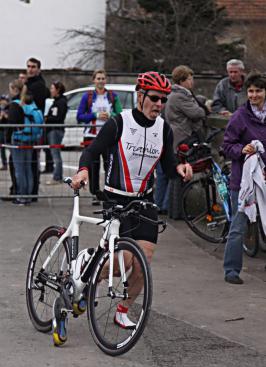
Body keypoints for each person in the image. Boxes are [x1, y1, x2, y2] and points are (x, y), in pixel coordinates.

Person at [54, 71, 193, 345]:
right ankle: (84, 266)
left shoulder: (163, 128)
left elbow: (167, 164)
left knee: (143, 263)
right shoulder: (120, 123)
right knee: (122, 264)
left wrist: (180, 168)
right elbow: (92, 151)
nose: (159, 104)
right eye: (154, 98)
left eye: (163, 99)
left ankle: (122, 310)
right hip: (116, 199)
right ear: (140, 96)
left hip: (144, 201)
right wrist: (83, 172)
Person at [223, 71, 266, 284]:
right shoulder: (240, 115)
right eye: (250, 91)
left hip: (264, 179)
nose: (254, 95)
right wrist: (243, 150)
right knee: (238, 226)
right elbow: (227, 145)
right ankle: (231, 270)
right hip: (243, 181)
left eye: (258, 90)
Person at [163, 65, 209, 219]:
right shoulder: (181, 96)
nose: (192, 82)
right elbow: (196, 112)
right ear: (182, 80)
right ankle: (178, 212)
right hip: (183, 138)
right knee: (181, 177)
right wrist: (204, 108)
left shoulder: (173, 94)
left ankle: (172, 211)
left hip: (175, 137)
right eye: (190, 79)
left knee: (176, 176)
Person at [76, 68, 122, 204]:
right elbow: (80, 116)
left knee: (109, 165)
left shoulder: (113, 96)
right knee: (93, 166)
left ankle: (109, 191)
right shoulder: (87, 96)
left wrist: (110, 116)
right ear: (94, 80)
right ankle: (95, 193)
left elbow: (119, 114)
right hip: (91, 135)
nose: (101, 81)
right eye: (98, 78)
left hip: (109, 136)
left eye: (103, 78)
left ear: (106, 80)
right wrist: (95, 115)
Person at [8, 80, 43, 205]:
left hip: (18, 140)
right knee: (28, 168)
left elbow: (11, 124)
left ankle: (21, 197)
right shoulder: (31, 104)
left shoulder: (15, 104)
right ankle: (28, 196)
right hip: (31, 140)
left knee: (19, 170)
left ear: (15, 90)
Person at [25, 57, 51, 201]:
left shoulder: (38, 85)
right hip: (30, 126)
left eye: (33, 66)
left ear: (38, 69)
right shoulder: (30, 83)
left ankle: (32, 191)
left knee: (33, 160)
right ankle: (27, 189)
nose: (30, 69)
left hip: (34, 126)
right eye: (28, 66)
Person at [45, 81, 68, 185]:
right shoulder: (57, 101)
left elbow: (58, 117)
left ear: (57, 90)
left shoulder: (61, 102)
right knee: (55, 153)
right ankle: (57, 175)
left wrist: (47, 118)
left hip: (55, 130)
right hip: (53, 130)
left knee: (56, 154)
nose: (51, 90)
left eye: (52, 88)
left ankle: (57, 177)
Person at [0, 95, 9, 171]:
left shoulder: (9, 108)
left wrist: (5, 115)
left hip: (7, 130)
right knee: (2, 148)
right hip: (1, 131)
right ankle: (4, 163)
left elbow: (10, 119)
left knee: (10, 146)